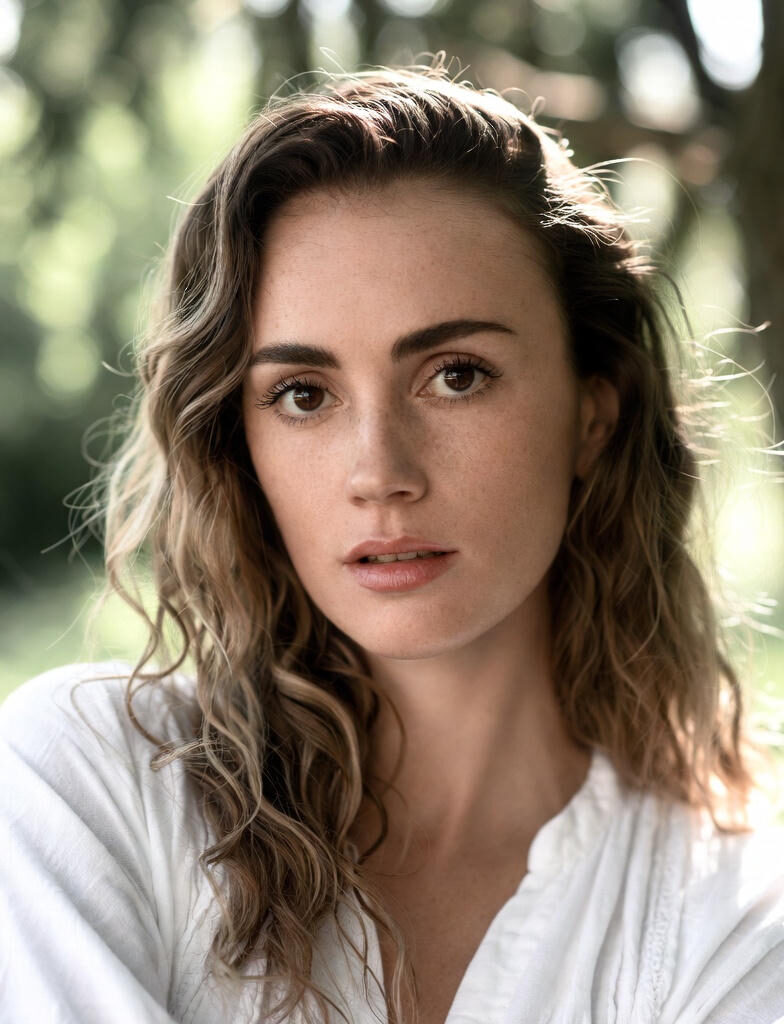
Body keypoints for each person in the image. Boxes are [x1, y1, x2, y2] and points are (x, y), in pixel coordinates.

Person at [1, 57, 783, 1024]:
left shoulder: (731, 916)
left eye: (455, 375)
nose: (379, 471)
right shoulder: (87, 788)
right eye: (303, 395)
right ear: (237, 444)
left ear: (593, 412)